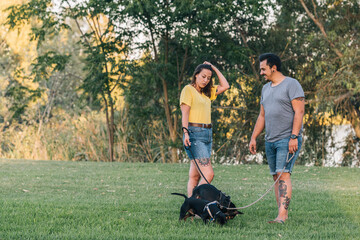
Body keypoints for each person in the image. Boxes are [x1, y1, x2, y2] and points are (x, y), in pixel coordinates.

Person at [249, 53, 305, 224]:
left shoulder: (292, 84)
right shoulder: (265, 89)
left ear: (273, 67)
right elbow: (262, 116)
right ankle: (281, 213)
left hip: (287, 139)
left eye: (263, 69)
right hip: (270, 140)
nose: (261, 73)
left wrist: (294, 137)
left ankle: (282, 216)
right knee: (276, 176)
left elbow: (299, 112)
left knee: (284, 175)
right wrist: (253, 138)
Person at [180, 61, 230, 197]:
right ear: (196, 75)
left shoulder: (207, 93)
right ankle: (195, 201)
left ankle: (191, 210)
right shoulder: (188, 89)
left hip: (207, 134)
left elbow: (226, 85)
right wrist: (186, 133)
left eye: (208, 78)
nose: (206, 80)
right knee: (209, 174)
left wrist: (212, 67)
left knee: (195, 176)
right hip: (194, 133)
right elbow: (185, 112)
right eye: (203, 76)